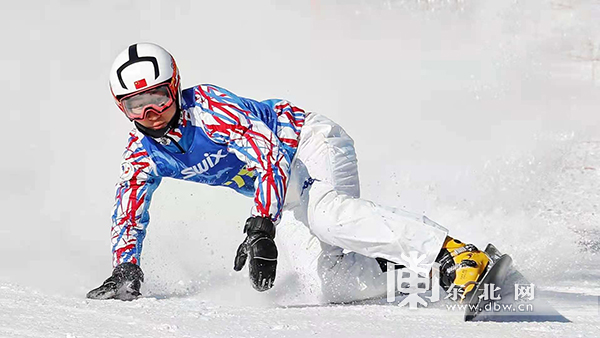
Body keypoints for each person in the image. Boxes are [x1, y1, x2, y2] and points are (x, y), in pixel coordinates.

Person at [87, 43, 490, 302]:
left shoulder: (210, 109)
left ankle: (455, 254)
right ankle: (425, 273)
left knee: (327, 216)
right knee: (327, 283)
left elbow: (269, 154)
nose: (150, 113)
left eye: (157, 97)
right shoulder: (142, 153)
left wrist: (261, 226)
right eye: (135, 104)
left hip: (308, 143)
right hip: (285, 187)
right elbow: (128, 208)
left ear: (175, 87)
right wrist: (126, 267)